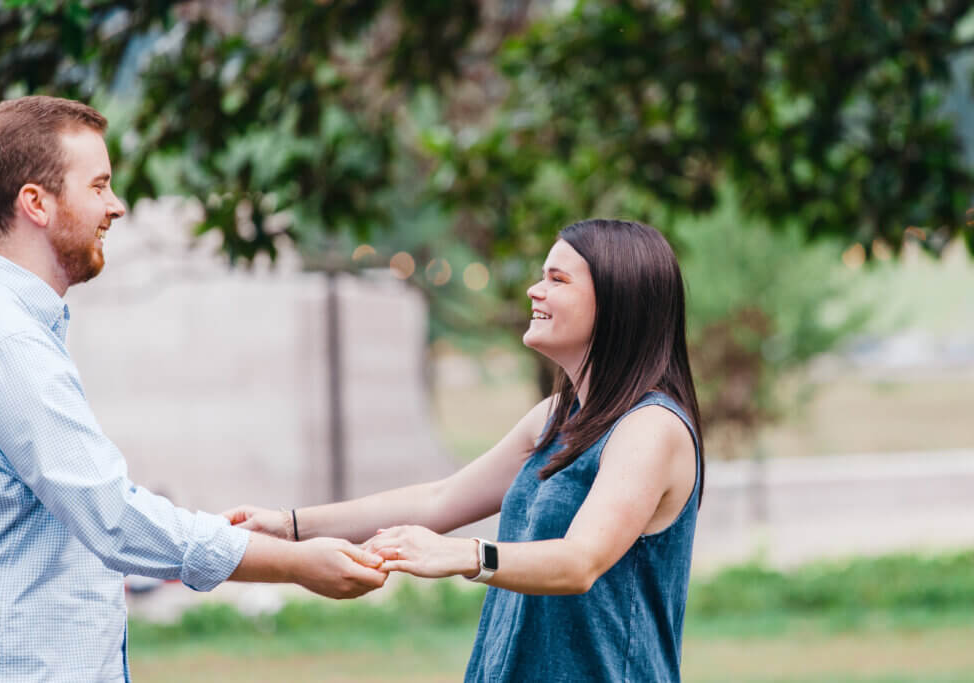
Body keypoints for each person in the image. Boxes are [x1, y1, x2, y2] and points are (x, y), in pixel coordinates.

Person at [0, 95, 387, 683]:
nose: (116, 206)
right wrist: (293, 564)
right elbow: (111, 518)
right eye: (99, 185)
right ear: (36, 202)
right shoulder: (6, 341)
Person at [228, 218, 705, 681]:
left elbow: (581, 562)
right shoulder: (557, 415)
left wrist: (468, 556)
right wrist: (290, 525)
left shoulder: (650, 427)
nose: (534, 291)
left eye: (557, 279)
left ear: (618, 301)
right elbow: (438, 500)